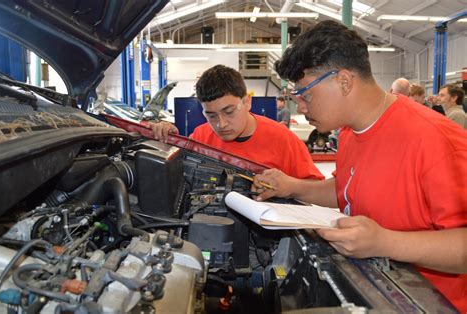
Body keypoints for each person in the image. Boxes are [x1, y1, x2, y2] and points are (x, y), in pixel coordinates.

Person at [252, 20, 467, 312]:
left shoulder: (438, 141)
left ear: (343, 80)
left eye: (305, 95)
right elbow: (348, 189)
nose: (300, 107)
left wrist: (384, 242)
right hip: (370, 292)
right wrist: (293, 187)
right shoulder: (351, 133)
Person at [151, 65, 324, 180]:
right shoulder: (200, 136)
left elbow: (315, 188)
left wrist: (289, 188)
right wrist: (167, 142)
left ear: (247, 102)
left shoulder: (283, 140)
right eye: (211, 115)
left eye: (229, 112)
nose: (222, 124)